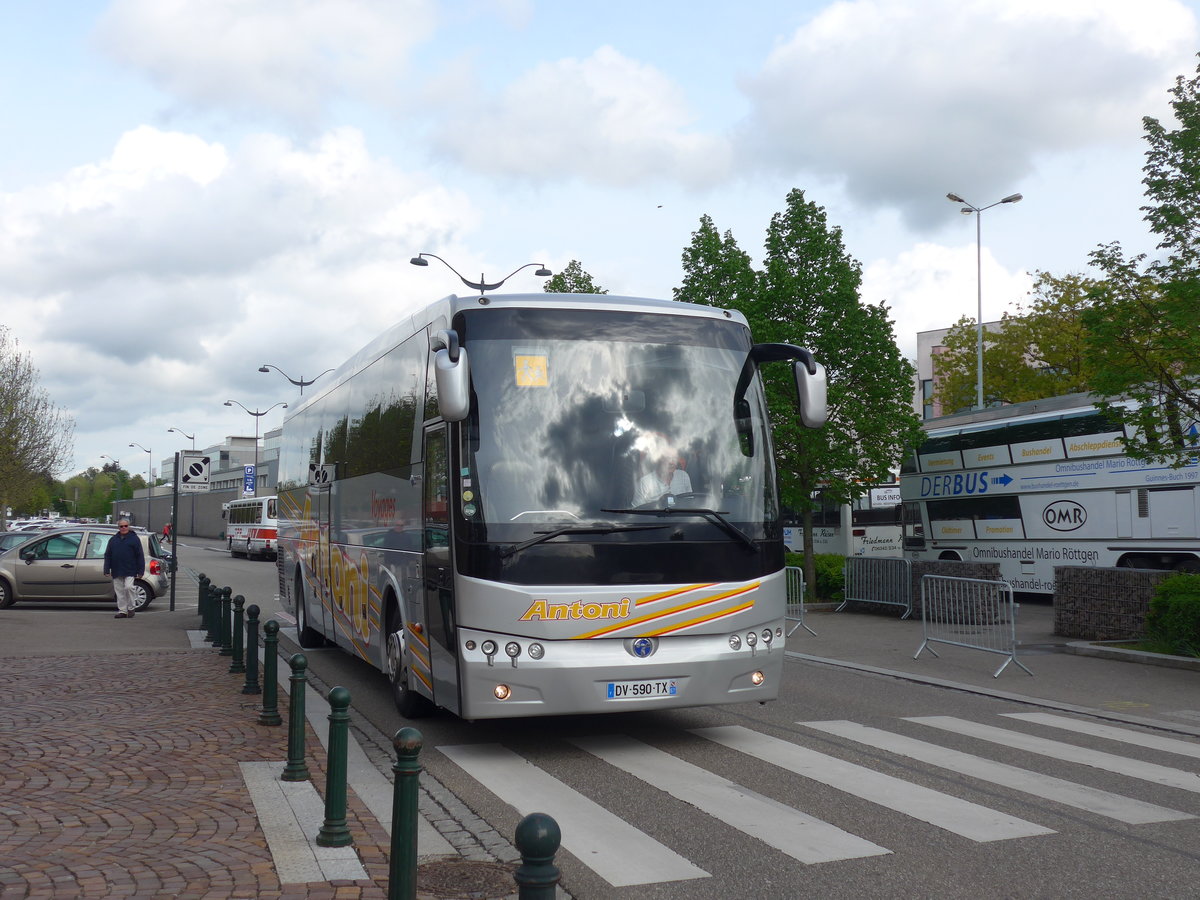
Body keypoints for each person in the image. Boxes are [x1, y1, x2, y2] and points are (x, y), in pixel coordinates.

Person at [104, 519, 145, 619]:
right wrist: (106, 569)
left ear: (129, 526)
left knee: (129, 587)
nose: (123, 528)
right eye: (121, 526)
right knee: (119, 592)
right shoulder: (113, 539)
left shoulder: (134, 539)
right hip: (116, 569)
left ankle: (131, 608)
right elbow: (108, 555)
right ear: (118, 527)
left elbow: (140, 555)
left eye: (125, 526)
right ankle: (122, 611)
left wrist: (141, 570)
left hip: (130, 569)